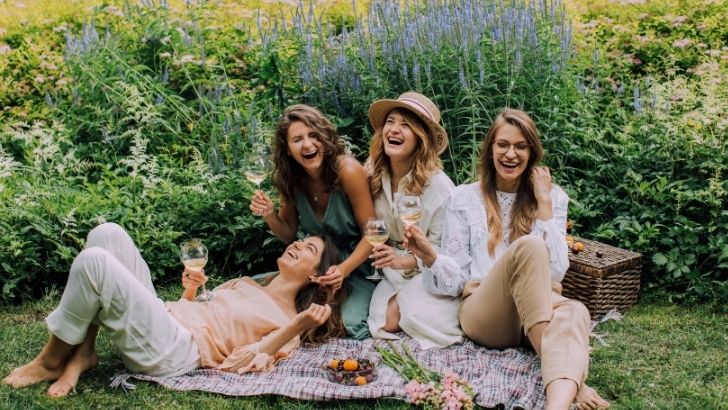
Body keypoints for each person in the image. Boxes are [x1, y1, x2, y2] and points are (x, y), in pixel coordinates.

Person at [403, 109, 610, 410]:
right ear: (490, 149)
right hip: (485, 314)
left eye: (520, 146)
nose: (511, 154)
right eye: (503, 144)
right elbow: (455, 282)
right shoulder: (463, 198)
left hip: (535, 311)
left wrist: (544, 204)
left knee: (576, 311)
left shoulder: (552, 197)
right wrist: (431, 257)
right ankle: (569, 372)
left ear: (531, 152)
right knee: (530, 246)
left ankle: (557, 405)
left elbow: (556, 273)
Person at [3, 223, 344, 397]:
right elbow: (197, 308)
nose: (297, 244)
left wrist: (297, 326)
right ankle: (83, 354)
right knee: (107, 234)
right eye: (300, 240)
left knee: (95, 262)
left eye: (309, 248)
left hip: (175, 350)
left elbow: (237, 363)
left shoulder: (289, 322)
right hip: (166, 319)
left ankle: (51, 360)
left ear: (316, 274)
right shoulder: (244, 283)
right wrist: (190, 290)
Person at [249, 105, 376, 340]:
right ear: (288, 150)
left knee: (348, 323)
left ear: (324, 138)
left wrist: (344, 269)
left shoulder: (347, 171)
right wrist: (269, 214)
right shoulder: (290, 179)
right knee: (258, 294)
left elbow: (374, 233)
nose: (308, 145)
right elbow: (288, 234)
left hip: (356, 267)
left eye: (313, 135)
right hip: (314, 267)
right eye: (297, 139)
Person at [364, 92, 458, 349]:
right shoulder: (373, 172)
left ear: (421, 138)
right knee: (383, 322)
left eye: (406, 125)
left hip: (428, 271)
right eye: (390, 122)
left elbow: (446, 251)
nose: (394, 130)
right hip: (391, 271)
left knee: (407, 316)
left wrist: (403, 260)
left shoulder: (439, 187)